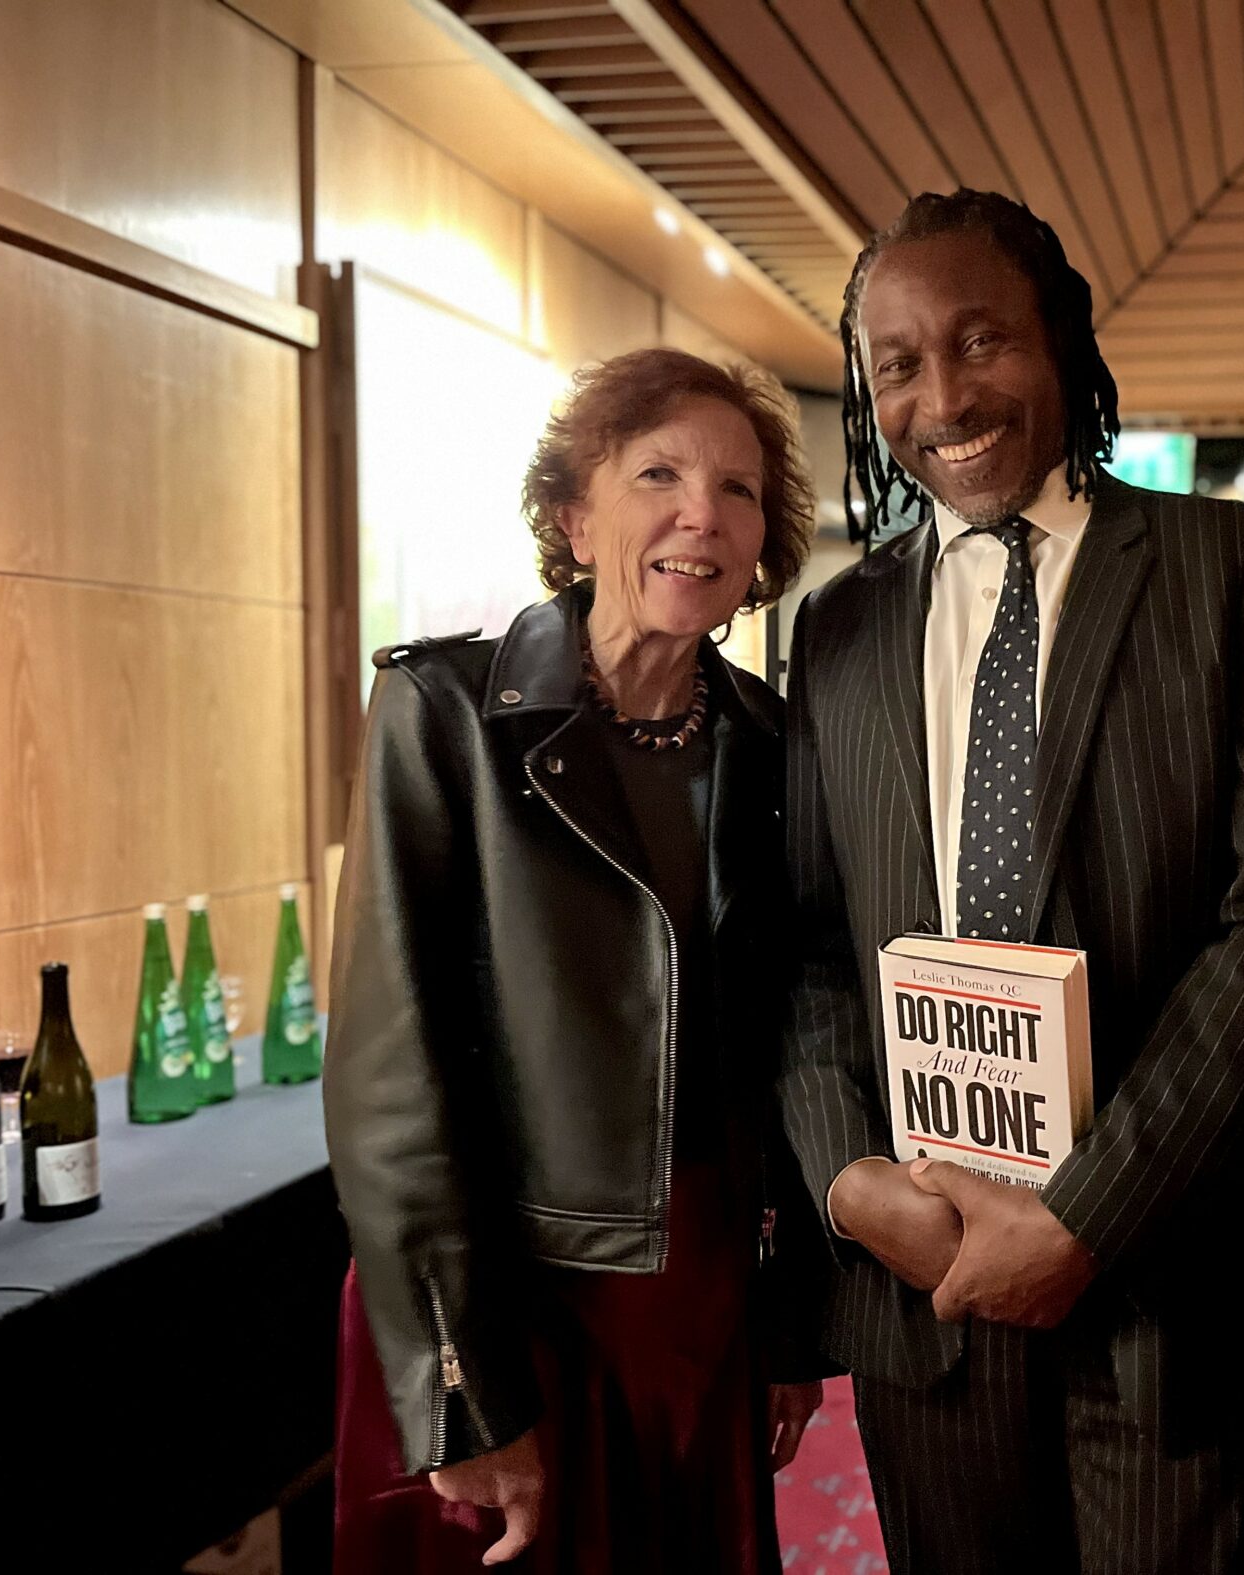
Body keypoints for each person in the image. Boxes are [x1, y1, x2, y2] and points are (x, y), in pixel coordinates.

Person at [778, 188, 1244, 1574]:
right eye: (899, 363)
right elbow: (809, 946)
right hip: (933, 1288)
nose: (945, 394)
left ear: (1064, 345)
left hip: (1171, 1284)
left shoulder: (1239, 569)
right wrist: (855, 1180)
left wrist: (1086, 1214)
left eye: (983, 339)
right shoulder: (839, 621)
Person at [324, 348, 831, 1574]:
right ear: (574, 514)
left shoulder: (773, 742)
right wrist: (465, 1393)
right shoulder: (443, 714)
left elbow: (802, 1037)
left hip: (705, 1297)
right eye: (658, 473)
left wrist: (790, 1328)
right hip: (512, 1295)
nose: (702, 514)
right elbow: (391, 1087)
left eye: (740, 491)